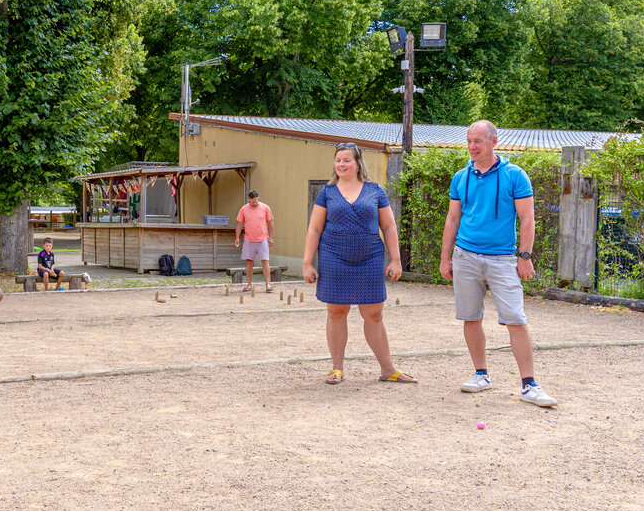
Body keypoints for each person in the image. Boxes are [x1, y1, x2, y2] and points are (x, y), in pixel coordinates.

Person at [440, 120, 557, 408]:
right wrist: (445, 257)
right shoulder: (460, 177)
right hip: (465, 255)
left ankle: (529, 385)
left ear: (494, 141)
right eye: (469, 141)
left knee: (516, 319)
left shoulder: (515, 175)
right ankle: (481, 374)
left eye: (478, 141)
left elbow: (527, 218)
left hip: (503, 259)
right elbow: (453, 219)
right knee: (470, 317)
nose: (472, 146)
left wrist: (525, 257)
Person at [302, 143, 413, 385]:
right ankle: (337, 368)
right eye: (338, 160)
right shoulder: (327, 193)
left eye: (346, 160)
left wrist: (396, 260)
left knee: (373, 314)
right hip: (334, 257)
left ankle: (388, 369)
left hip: (370, 257)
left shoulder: (375, 191)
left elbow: (389, 226)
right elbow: (314, 228)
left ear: (358, 163)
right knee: (336, 311)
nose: (341, 164)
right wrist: (307, 262)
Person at [234, 190, 275, 292]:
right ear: (249, 199)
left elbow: (270, 223)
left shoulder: (265, 208)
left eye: (255, 202)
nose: (253, 204)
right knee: (249, 262)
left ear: (258, 199)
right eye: (251, 202)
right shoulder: (244, 209)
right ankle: (249, 284)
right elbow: (239, 224)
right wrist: (237, 238)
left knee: (265, 261)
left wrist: (271, 237)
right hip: (249, 239)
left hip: (263, 239)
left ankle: (268, 284)